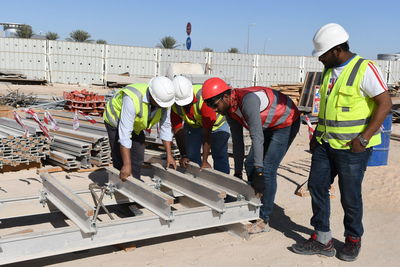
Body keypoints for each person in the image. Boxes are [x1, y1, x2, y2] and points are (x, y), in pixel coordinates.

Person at [291, 23, 392, 261]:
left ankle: (353, 239)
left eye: (322, 55)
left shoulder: (364, 68)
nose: (320, 60)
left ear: (336, 50)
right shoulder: (329, 71)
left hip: (352, 149)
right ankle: (323, 239)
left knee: (350, 196)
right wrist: (316, 135)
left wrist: (364, 138)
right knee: (316, 186)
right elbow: (327, 109)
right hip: (326, 144)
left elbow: (385, 104)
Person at [202, 77, 300, 233]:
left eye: (215, 105)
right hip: (268, 126)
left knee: (267, 170)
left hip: (285, 122)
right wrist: (238, 171)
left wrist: (259, 172)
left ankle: (263, 219)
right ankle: (255, 203)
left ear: (226, 97)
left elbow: (257, 137)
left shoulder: (247, 101)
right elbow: (238, 141)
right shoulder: (229, 110)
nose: (214, 109)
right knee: (249, 164)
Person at [103, 76, 176, 181]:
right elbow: (125, 134)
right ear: (151, 96)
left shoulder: (164, 101)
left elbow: (166, 126)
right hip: (115, 120)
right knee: (120, 157)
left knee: (138, 156)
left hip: (136, 125)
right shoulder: (132, 98)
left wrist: (169, 155)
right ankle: (120, 183)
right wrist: (127, 165)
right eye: (159, 103)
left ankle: (135, 181)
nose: (161, 106)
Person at [162, 75, 230, 173]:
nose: (186, 105)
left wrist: (205, 160)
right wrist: (184, 155)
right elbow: (177, 129)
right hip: (194, 125)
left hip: (216, 126)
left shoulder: (203, 99)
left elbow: (207, 133)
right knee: (192, 156)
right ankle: (195, 179)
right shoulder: (174, 104)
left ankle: (224, 182)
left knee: (219, 154)